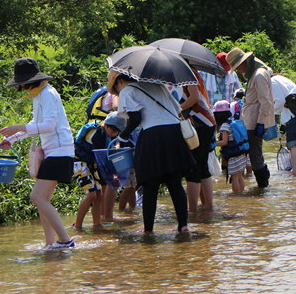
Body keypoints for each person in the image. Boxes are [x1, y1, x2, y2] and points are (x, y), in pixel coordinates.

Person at [0, 58, 76, 249]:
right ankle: (51, 244)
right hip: (53, 152)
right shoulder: (39, 95)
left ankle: (65, 240)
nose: (23, 88)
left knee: (37, 198)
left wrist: (18, 127)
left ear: (31, 80)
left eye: (23, 83)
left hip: (60, 151)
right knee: (43, 201)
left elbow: (49, 126)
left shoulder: (48, 94)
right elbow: (35, 124)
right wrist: (12, 138)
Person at [108, 71, 195, 233]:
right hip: (174, 133)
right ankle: (183, 225)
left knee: (150, 184)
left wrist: (123, 136)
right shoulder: (158, 85)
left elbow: (135, 120)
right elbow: (177, 109)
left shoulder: (127, 91)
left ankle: (148, 230)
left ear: (119, 81)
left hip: (153, 136)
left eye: (116, 89)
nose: (118, 93)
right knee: (175, 183)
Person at [226, 48, 275, 188]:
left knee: (255, 157)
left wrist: (260, 124)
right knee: (256, 155)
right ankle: (264, 186)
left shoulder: (259, 75)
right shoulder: (256, 74)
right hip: (252, 123)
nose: (239, 71)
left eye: (238, 67)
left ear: (245, 62)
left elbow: (265, 102)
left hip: (255, 124)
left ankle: (262, 190)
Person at [72, 112, 127, 229]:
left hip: (92, 165)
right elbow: (102, 158)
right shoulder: (98, 134)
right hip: (80, 164)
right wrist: (112, 175)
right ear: (106, 125)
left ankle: (97, 225)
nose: (115, 134)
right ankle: (78, 225)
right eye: (114, 131)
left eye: (117, 132)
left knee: (99, 195)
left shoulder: (107, 135)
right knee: (91, 195)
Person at [181, 70, 215, 212]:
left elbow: (194, 97)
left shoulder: (185, 73)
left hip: (199, 123)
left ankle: (193, 211)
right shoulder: (192, 72)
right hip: (207, 122)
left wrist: (176, 109)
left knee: (193, 169)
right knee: (202, 168)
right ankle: (208, 207)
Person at [272, 74, 296, 175]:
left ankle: (295, 173)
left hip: (293, 117)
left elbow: (280, 101)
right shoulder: (284, 80)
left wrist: (272, 114)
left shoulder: (273, 81)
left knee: (293, 145)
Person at [213, 100, 248, 194]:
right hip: (241, 154)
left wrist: (213, 144)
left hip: (233, 157)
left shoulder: (224, 125)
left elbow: (224, 142)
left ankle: (235, 196)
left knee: (234, 177)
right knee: (240, 176)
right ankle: (242, 193)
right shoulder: (232, 122)